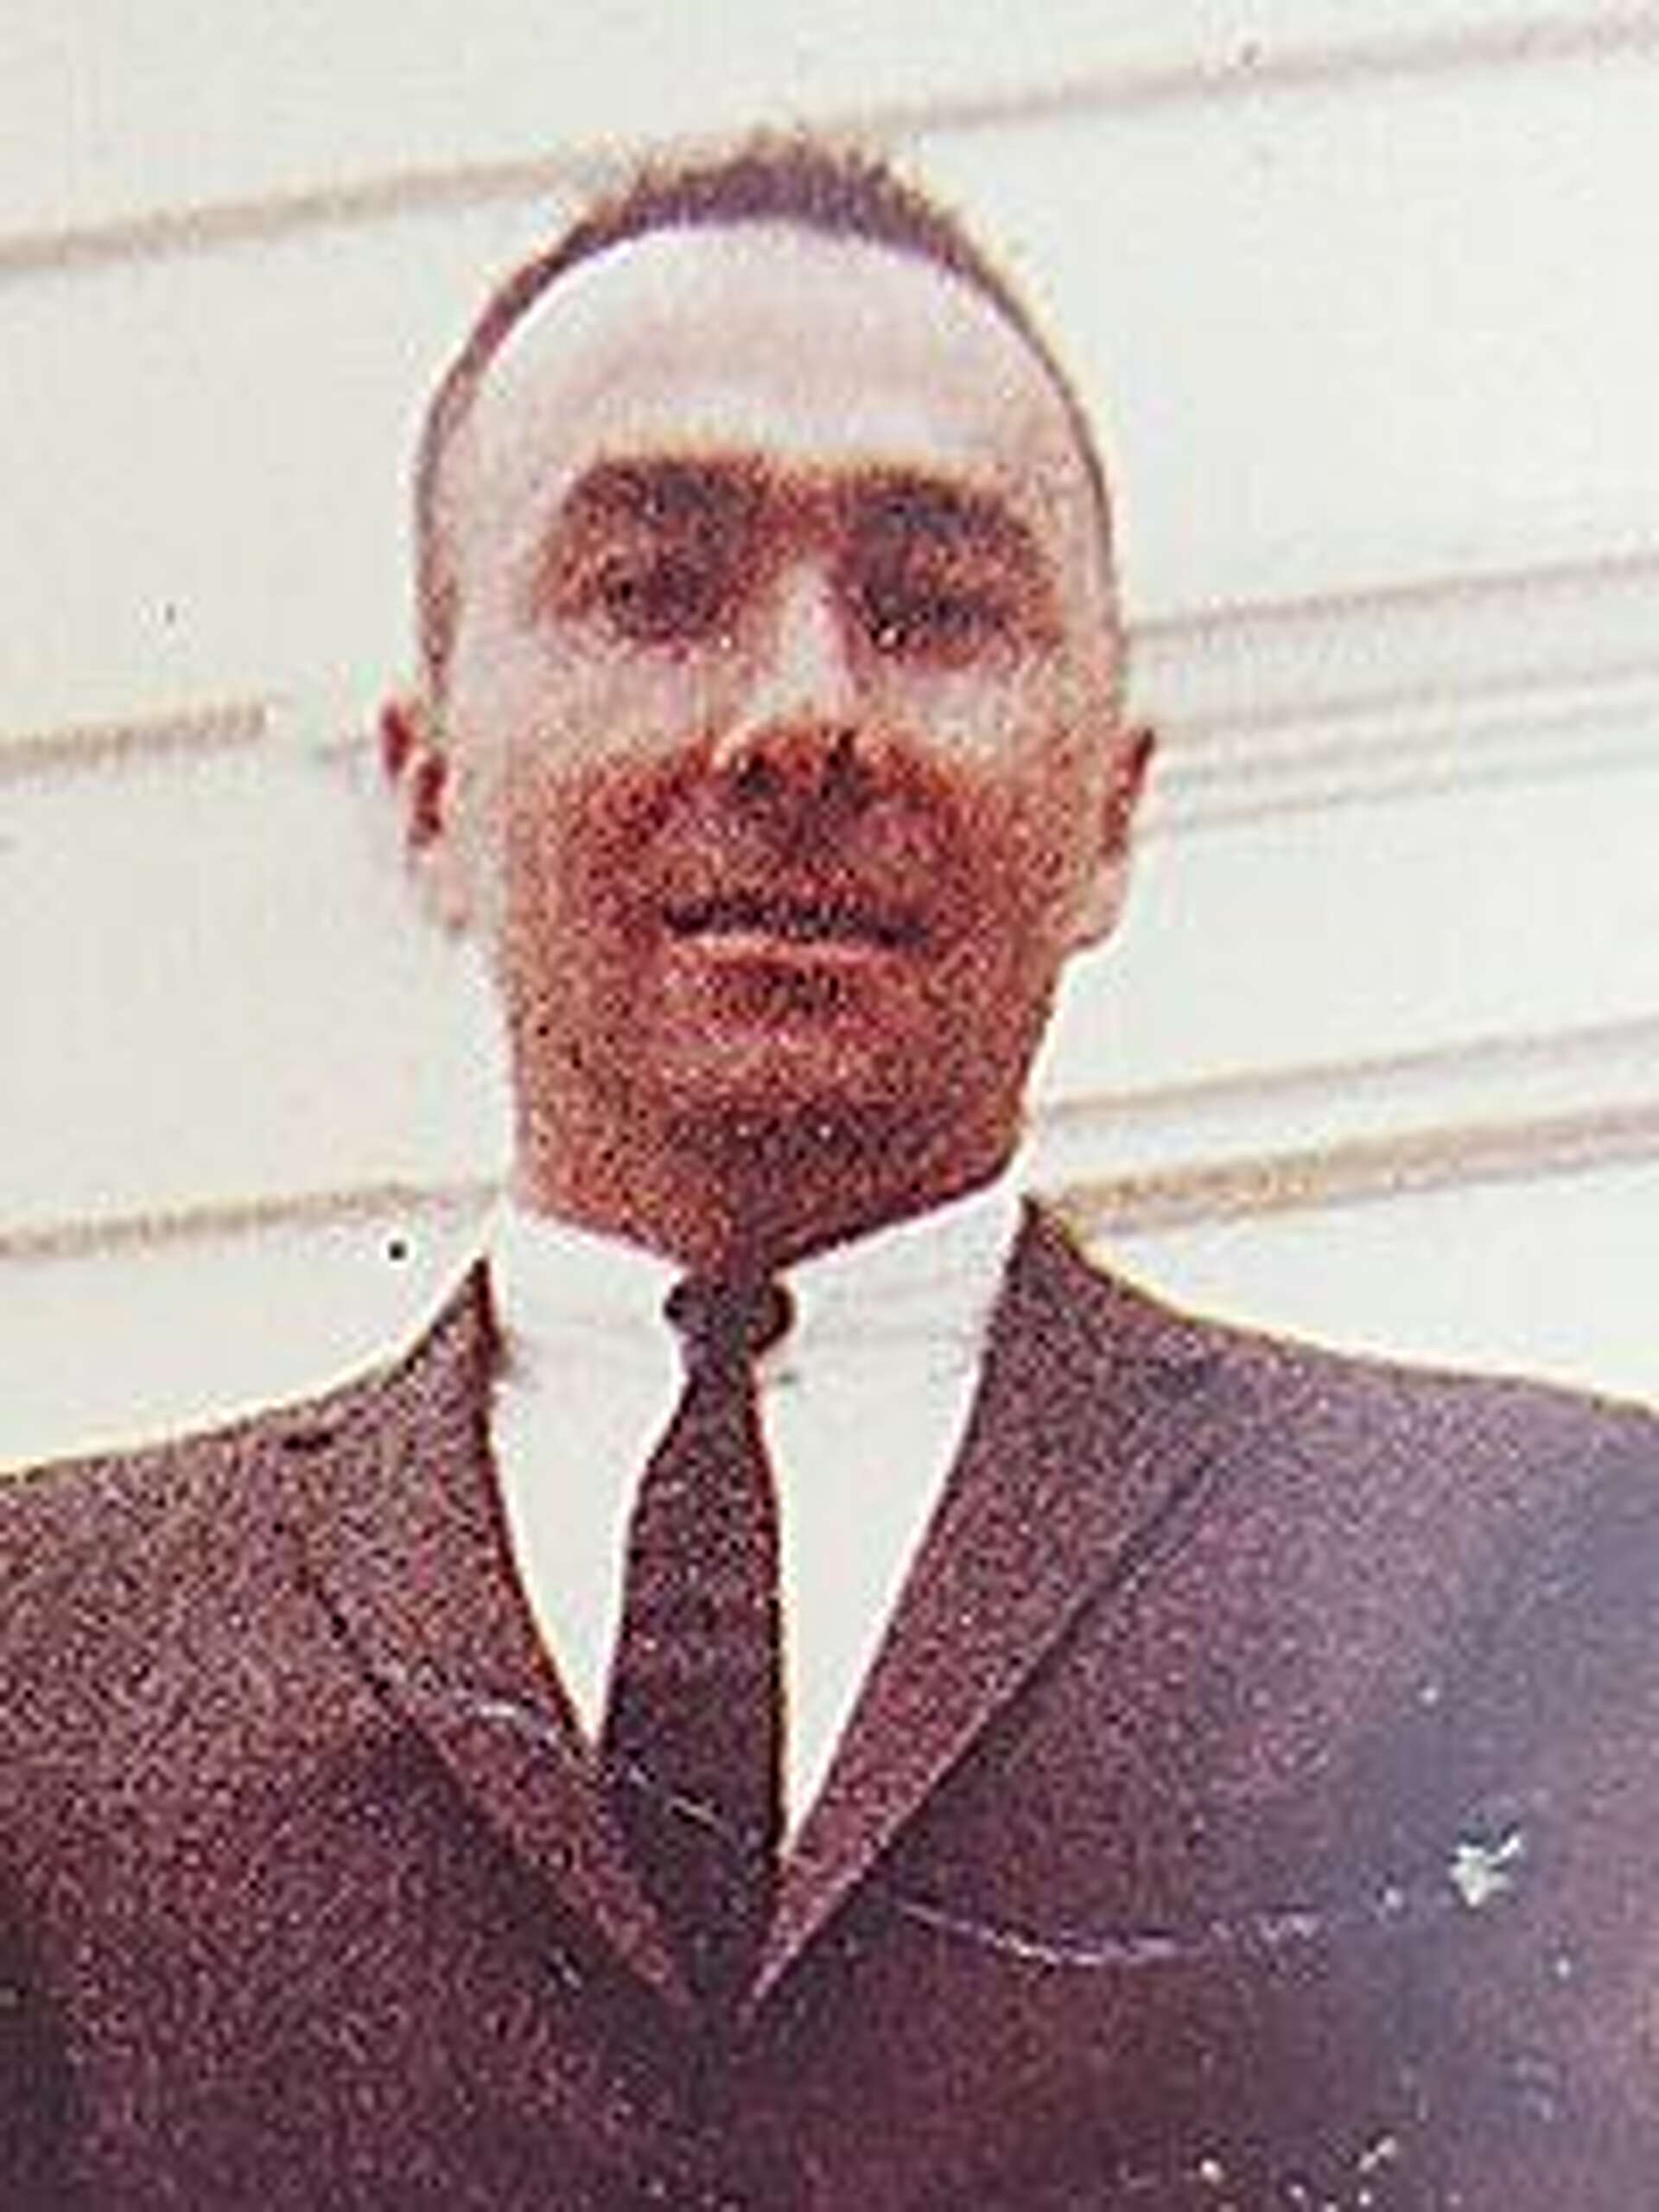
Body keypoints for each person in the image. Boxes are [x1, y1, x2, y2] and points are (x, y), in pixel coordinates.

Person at [3, 136, 1658, 2212]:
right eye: (653, 590)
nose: (802, 717)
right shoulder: (45, 1655)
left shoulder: (1543, 1577)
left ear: (1113, 810)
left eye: (934, 609)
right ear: (427, 788)